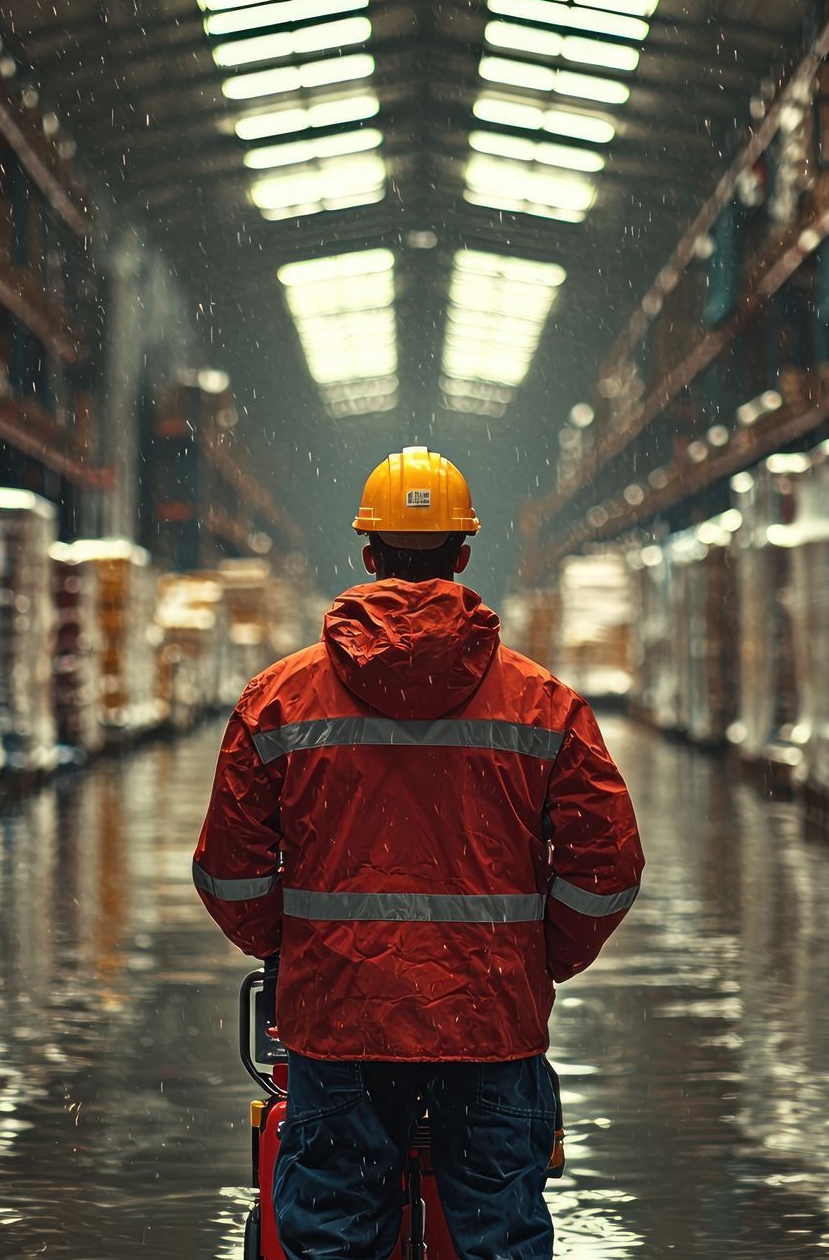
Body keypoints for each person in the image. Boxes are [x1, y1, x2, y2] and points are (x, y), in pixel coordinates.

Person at [193, 445, 644, 1260]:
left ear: (368, 556)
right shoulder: (543, 705)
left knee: (332, 1238)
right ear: (463, 554)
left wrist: (295, 948)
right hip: (492, 1023)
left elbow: (229, 870)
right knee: (500, 1240)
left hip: (338, 1023)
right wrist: (542, 955)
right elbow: (608, 865)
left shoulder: (279, 700)